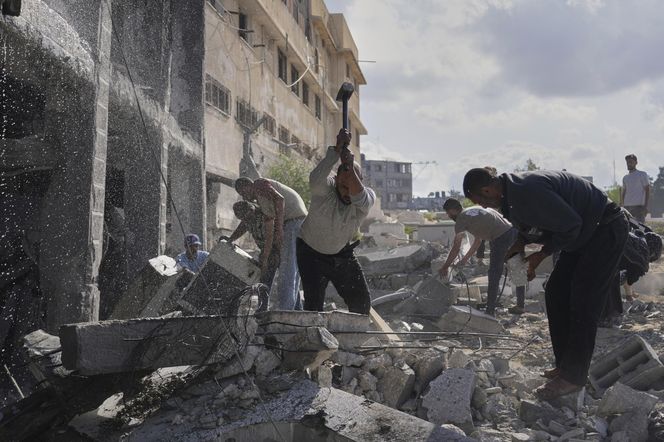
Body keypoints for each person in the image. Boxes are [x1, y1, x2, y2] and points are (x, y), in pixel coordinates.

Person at [462, 168, 628, 400]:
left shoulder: (527, 190)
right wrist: (520, 244)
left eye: (480, 200)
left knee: (584, 300)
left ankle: (573, 378)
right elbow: (534, 224)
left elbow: (571, 225)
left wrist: (540, 255)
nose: (483, 205)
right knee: (556, 292)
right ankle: (565, 366)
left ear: (487, 190)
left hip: (604, 229)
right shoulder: (510, 196)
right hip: (583, 234)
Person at [296, 129, 376, 314]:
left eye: (351, 186)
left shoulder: (366, 198)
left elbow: (360, 198)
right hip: (310, 252)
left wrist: (349, 166)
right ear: (336, 179)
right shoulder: (326, 189)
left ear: (360, 181)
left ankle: (354, 333)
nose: (347, 193)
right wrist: (337, 150)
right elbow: (315, 179)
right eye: (343, 186)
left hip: (341, 254)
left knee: (361, 305)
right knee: (313, 308)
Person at [439, 198, 526, 315]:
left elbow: (456, 247)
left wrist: (445, 267)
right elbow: (478, 241)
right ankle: (520, 306)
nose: (449, 216)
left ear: (453, 210)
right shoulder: (476, 209)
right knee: (518, 269)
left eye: (448, 213)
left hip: (500, 237)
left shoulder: (461, 219)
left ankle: (490, 311)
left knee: (494, 274)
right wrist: (464, 260)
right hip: (514, 232)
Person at [234, 175, 308, 310]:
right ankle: (296, 310)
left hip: (293, 222)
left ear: (248, 186)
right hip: (298, 222)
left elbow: (280, 199)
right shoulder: (260, 200)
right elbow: (244, 225)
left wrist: (279, 229)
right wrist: (230, 239)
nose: (244, 196)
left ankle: (286, 311)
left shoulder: (259, 186)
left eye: (243, 192)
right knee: (291, 271)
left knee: (287, 272)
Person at [226, 201, 278, 311]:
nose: (245, 220)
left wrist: (265, 258)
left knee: (267, 279)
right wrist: (230, 240)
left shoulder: (264, 216)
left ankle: (263, 309)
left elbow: (269, 238)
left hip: (275, 249)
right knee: (263, 279)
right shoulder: (247, 219)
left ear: (251, 210)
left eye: (245, 217)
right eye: (242, 219)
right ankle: (295, 306)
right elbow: (241, 228)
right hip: (264, 250)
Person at [621, 154, 650, 222]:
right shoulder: (625, 178)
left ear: (636, 162)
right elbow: (624, 192)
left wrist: (646, 206)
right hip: (627, 207)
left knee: (639, 226)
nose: (629, 164)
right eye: (627, 162)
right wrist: (622, 205)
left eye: (631, 162)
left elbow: (647, 190)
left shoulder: (642, 174)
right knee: (628, 227)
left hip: (639, 207)